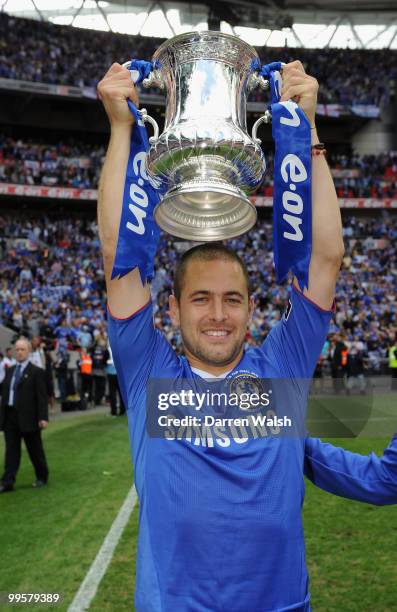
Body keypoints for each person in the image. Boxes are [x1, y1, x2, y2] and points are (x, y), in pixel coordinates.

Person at [97, 61, 397, 611]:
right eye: (201, 299)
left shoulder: (281, 366)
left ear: (252, 308)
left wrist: (307, 134)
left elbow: (326, 258)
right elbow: (119, 251)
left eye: (232, 299)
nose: (218, 314)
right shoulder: (150, 375)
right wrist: (121, 128)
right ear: (173, 307)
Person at [0, 337, 49, 493]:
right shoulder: (9, 371)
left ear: (28, 351)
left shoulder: (36, 372)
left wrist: (43, 417)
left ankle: (42, 476)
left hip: (30, 418)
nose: (19, 352)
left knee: (35, 450)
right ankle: (8, 481)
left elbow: (42, 397)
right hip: (10, 417)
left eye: (22, 349)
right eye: (17, 349)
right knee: (11, 451)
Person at [105, 344, 125, 416]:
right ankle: (122, 411)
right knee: (121, 393)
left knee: (112, 393)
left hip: (111, 373)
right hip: (120, 373)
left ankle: (113, 412)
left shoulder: (107, 350)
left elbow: (104, 361)